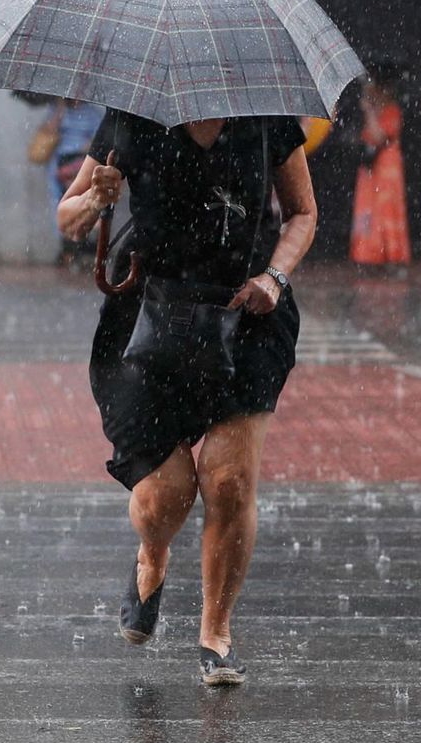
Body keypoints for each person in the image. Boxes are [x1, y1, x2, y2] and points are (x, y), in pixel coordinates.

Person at [57, 110, 314, 687]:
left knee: (228, 481)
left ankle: (215, 633)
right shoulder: (133, 119)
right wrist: (98, 199)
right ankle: (152, 556)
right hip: (149, 317)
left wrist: (275, 276)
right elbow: (68, 219)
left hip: (248, 313)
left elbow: (303, 212)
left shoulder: (267, 119)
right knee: (165, 498)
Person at [350, 66, 411, 266]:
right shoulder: (375, 111)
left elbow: (378, 136)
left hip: (386, 168)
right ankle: (368, 252)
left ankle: (390, 252)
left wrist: (369, 112)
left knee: (385, 209)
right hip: (370, 170)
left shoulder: (391, 112)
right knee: (368, 210)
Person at [42, 100, 106, 265]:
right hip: (59, 165)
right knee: (60, 203)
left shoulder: (91, 114)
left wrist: (86, 149)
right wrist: (59, 112)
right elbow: (48, 132)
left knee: (83, 202)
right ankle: (68, 247)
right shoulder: (57, 110)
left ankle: (83, 247)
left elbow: (99, 140)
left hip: (80, 164)